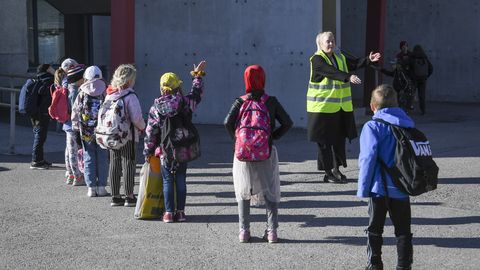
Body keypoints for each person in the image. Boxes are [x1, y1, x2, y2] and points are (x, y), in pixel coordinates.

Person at [224, 65, 293, 243]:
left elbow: (227, 122)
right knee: (270, 190)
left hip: (242, 154)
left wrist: (237, 140)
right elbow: (287, 122)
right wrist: (272, 137)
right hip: (266, 151)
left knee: (243, 191)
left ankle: (244, 232)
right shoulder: (271, 101)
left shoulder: (240, 102)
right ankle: (272, 232)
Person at [307, 31, 381, 183]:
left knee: (339, 140)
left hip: (340, 107)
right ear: (320, 44)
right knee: (325, 142)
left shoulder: (339, 57)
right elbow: (331, 72)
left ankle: (336, 169)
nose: (331, 43)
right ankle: (328, 173)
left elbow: (353, 63)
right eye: (328, 41)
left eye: (333, 40)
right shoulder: (317, 60)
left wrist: (368, 60)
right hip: (321, 109)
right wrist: (348, 77)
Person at [357, 84, 414, 270]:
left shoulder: (372, 126)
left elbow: (368, 158)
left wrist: (362, 188)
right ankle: (404, 266)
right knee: (403, 231)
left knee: (374, 229)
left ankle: (375, 264)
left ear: (373, 106)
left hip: (378, 187)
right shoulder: (407, 124)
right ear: (396, 104)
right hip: (402, 187)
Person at [143, 61, 206, 222]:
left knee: (167, 180)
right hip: (183, 146)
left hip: (165, 149)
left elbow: (151, 132)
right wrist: (197, 76)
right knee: (180, 178)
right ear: (177, 86)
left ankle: (168, 213)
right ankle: (181, 212)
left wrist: (148, 151)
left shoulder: (156, 108)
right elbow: (197, 93)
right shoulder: (185, 102)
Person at [106, 64, 145, 207]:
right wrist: (143, 127)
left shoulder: (110, 94)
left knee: (114, 163)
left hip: (111, 134)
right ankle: (129, 196)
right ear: (130, 80)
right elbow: (137, 118)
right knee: (128, 163)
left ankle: (115, 196)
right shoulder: (130, 95)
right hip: (128, 135)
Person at [71, 66, 109, 197]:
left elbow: (75, 114)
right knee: (103, 158)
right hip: (103, 132)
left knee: (89, 158)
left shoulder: (81, 92)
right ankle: (102, 187)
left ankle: (91, 188)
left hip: (86, 131)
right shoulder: (106, 91)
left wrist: (76, 130)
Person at [63, 63, 85, 186]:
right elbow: (76, 111)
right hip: (73, 125)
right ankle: (77, 177)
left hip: (67, 124)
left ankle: (70, 174)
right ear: (78, 78)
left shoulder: (67, 86)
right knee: (74, 151)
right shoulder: (75, 91)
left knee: (69, 150)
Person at [29, 64, 55, 169]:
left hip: (35, 112)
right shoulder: (48, 81)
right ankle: (36, 161)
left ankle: (40, 159)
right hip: (42, 113)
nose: (54, 69)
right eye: (51, 68)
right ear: (48, 69)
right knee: (40, 137)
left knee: (39, 136)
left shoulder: (38, 79)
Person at [409, 45, 433, 115]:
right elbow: (431, 68)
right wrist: (426, 76)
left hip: (414, 79)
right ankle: (423, 110)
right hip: (423, 79)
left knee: (411, 94)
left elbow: (407, 67)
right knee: (422, 95)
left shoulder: (412, 58)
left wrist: (411, 76)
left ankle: (409, 109)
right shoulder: (425, 58)